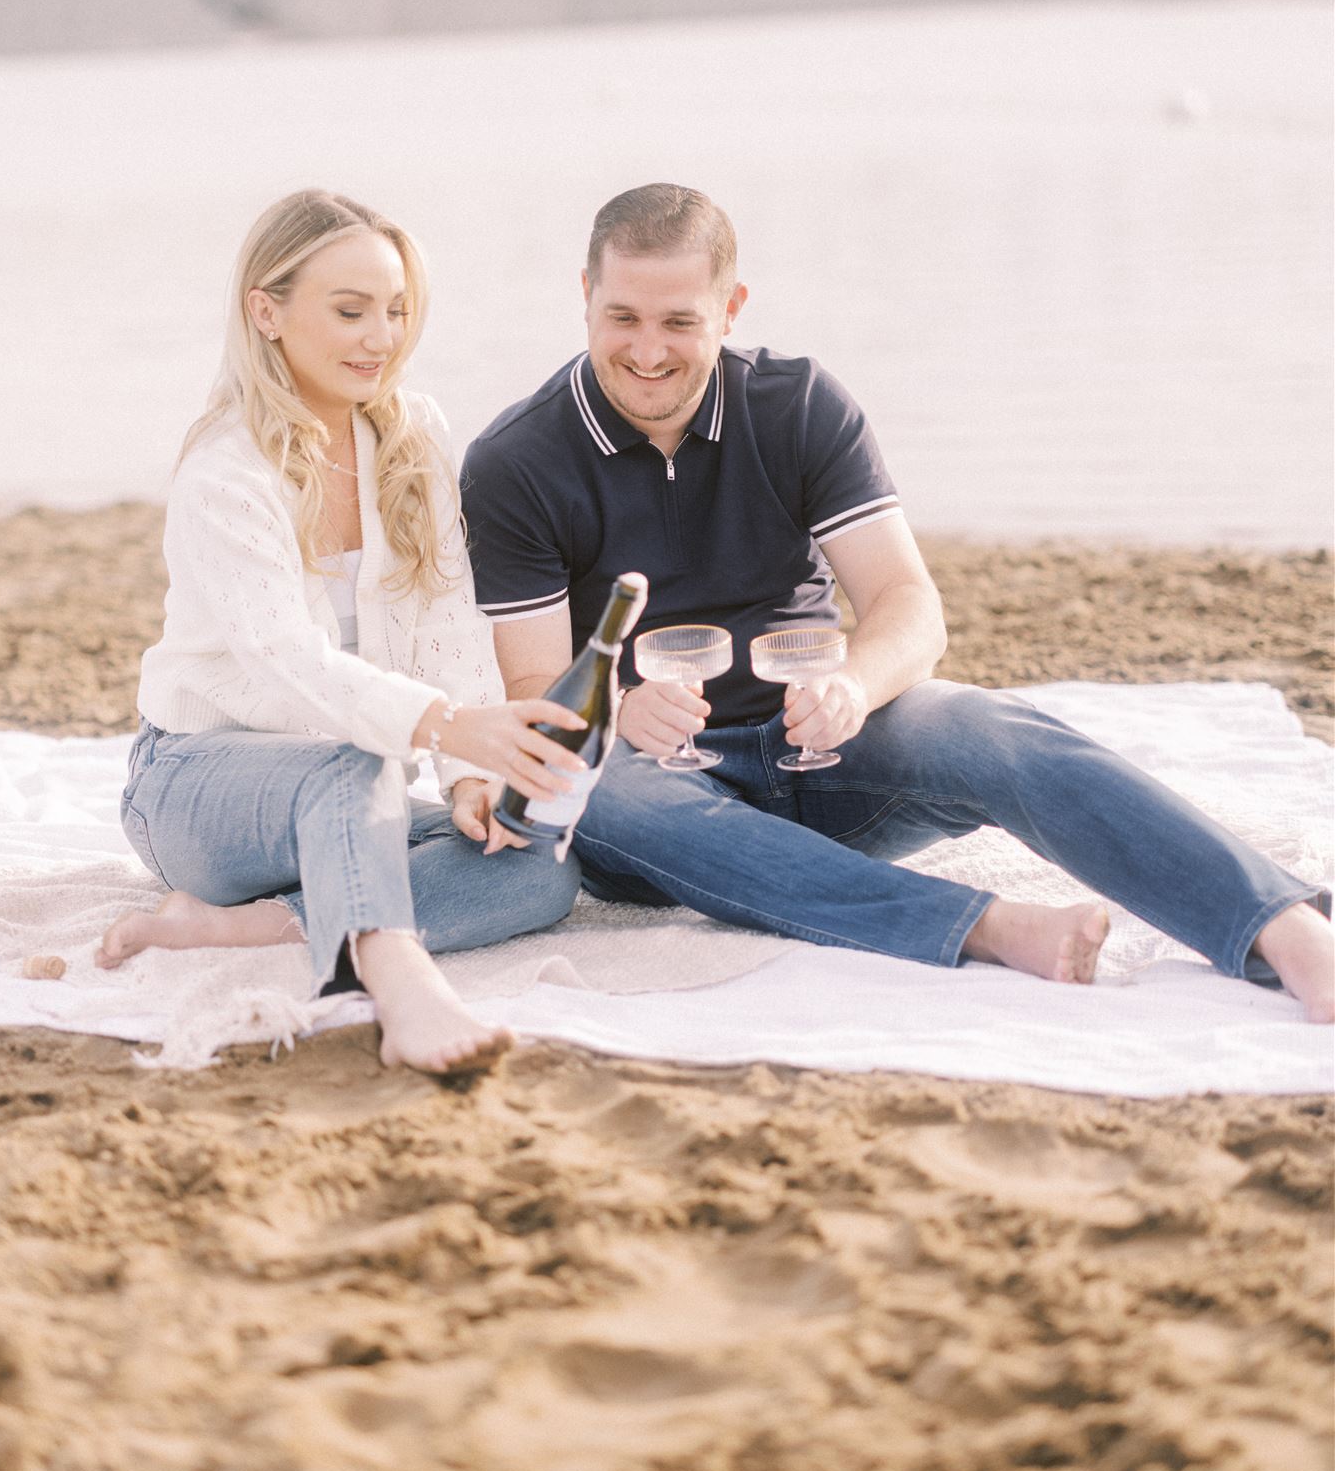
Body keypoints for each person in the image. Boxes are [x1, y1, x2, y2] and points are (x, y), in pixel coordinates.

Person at [460, 182, 1334, 1021]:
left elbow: (908, 603)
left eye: (680, 322)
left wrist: (855, 687)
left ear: (731, 308)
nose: (649, 351)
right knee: (601, 790)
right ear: (585, 297)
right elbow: (536, 687)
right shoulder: (515, 461)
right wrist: (619, 708)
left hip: (824, 756)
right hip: (662, 801)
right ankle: (984, 929)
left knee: (980, 724)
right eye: (624, 317)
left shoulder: (798, 404)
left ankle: (1283, 929)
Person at [97, 188, 588, 1076]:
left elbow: (449, 622)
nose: (382, 336)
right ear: (268, 312)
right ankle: (394, 980)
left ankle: (235, 928)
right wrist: (444, 726)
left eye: (396, 310)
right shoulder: (224, 470)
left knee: (539, 869)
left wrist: (472, 776)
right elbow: (292, 669)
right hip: (196, 785)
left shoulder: (412, 435)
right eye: (351, 310)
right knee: (354, 761)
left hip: (353, 793)